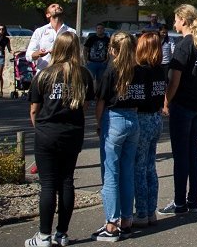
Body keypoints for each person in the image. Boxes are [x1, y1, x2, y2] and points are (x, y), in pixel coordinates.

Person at [26, 32, 92, 247]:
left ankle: (44, 236)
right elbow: (85, 106)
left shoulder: (45, 75)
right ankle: (62, 233)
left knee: (47, 185)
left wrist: (40, 128)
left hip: (47, 133)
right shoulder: (83, 75)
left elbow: (34, 109)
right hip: (72, 132)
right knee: (66, 181)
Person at [159, 5, 197, 217]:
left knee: (181, 155)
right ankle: (193, 200)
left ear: (183, 20)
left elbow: (174, 79)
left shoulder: (184, 45)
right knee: (193, 153)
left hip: (184, 105)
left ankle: (180, 202)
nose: (174, 24)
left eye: (176, 20)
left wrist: (166, 101)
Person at [94, 32, 141, 241]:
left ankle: (111, 224)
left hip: (114, 118)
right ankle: (126, 219)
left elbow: (101, 101)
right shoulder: (137, 69)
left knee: (111, 173)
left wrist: (98, 123)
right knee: (127, 171)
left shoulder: (110, 70)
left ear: (112, 49)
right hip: (133, 118)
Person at [131, 31, 168, 228]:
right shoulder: (160, 69)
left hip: (143, 118)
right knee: (150, 167)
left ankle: (142, 212)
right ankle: (151, 210)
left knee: (139, 166)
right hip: (156, 118)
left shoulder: (140, 70)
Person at [28, 4, 74, 73]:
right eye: (53, 6)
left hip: (64, 73)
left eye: (59, 6)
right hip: (44, 73)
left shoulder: (71, 32)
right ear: (48, 15)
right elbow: (29, 55)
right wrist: (39, 53)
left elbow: (76, 54)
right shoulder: (40, 31)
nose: (58, 7)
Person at [84, 24, 111, 90]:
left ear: (104, 30)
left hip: (102, 63)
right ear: (96, 30)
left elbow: (110, 51)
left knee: (101, 80)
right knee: (89, 80)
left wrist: (107, 60)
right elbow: (85, 50)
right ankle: (90, 94)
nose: (100, 30)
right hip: (91, 63)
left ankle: (98, 95)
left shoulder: (107, 39)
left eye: (101, 28)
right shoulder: (91, 38)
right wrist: (86, 60)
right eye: (98, 28)